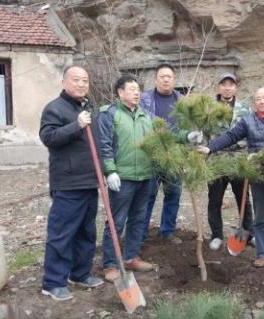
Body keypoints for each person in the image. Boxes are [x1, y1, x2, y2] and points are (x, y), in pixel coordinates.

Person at [96, 75, 202, 282]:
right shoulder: (110, 114)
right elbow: (104, 145)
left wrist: (186, 136)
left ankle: (131, 257)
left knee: (138, 218)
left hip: (145, 176)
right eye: (132, 89)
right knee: (117, 221)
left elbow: (167, 132)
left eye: (138, 89)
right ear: (120, 92)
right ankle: (110, 264)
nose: (137, 93)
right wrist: (110, 171)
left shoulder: (146, 115)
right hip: (123, 177)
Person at [197, 87, 264, 267]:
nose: (262, 101)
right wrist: (210, 147)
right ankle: (263, 253)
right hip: (258, 174)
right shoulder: (248, 120)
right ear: (254, 103)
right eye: (258, 99)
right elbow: (230, 136)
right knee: (260, 216)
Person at [39, 65, 103, 301]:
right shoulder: (54, 109)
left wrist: (104, 172)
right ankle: (53, 282)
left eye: (85, 81)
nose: (81, 84)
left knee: (86, 232)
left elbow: (94, 144)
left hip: (89, 181)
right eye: (76, 80)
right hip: (68, 183)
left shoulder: (87, 107)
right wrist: (76, 125)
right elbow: (48, 138)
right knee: (61, 233)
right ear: (64, 82)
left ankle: (79, 274)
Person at [207, 72, 253, 251]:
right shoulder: (209, 108)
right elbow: (203, 133)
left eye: (231, 84)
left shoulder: (245, 108)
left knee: (243, 198)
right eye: (224, 84)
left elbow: (250, 132)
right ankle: (217, 235)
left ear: (236, 87)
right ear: (219, 87)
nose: (227, 87)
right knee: (214, 199)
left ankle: (248, 234)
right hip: (216, 160)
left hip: (238, 160)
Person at [140, 63, 183, 244]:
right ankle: (140, 234)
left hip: (174, 154)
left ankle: (168, 231)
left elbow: (188, 126)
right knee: (148, 195)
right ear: (156, 79)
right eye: (162, 76)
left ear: (174, 80)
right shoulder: (145, 99)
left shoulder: (182, 100)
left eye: (169, 77)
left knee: (173, 194)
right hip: (152, 155)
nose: (166, 79)